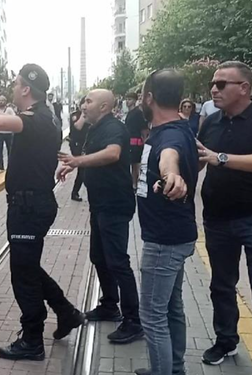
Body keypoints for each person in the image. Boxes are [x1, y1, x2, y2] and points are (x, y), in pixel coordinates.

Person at [0, 64, 83, 360]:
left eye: (16, 84)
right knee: (27, 268)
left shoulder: (36, 117)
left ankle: (32, 340)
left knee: (23, 276)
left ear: (27, 89)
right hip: (30, 204)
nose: (13, 88)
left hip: (29, 207)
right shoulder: (48, 116)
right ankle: (66, 313)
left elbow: (2, 122)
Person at [58, 89, 143, 344]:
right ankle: (109, 305)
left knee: (118, 262)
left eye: (89, 101)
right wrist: (75, 164)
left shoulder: (114, 127)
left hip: (114, 204)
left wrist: (77, 161)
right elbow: (81, 142)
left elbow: (112, 154)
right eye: (83, 100)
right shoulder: (96, 127)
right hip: (100, 204)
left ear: (105, 106)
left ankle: (133, 321)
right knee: (99, 256)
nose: (84, 104)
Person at [133, 70, 199, 375]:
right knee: (171, 307)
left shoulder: (169, 135)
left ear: (150, 98)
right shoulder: (176, 129)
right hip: (174, 234)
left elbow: (168, 158)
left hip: (164, 240)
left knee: (152, 315)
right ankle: (173, 368)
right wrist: (166, 180)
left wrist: (171, 175)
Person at [196, 61, 252, 366]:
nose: (214, 90)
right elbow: (202, 159)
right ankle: (226, 340)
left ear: (243, 88)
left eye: (221, 84)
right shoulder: (212, 121)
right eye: (212, 85)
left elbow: (216, 158)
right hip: (217, 218)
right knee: (221, 284)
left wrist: (220, 158)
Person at [124, 92, 150, 190]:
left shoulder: (138, 113)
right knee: (131, 163)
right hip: (128, 142)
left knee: (135, 164)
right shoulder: (129, 113)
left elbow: (144, 129)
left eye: (130, 99)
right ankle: (133, 182)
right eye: (127, 99)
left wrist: (145, 142)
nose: (127, 101)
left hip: (136, 142)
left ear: (135, 100)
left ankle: (135, 183)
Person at [68, 97, 90, 202]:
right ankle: (74, 192)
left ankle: (75, 192)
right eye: (84, 103)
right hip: (77, 145)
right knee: (82, 169)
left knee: (84, 170)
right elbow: (78, 127)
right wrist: (84, 114)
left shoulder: (90, 116)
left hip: (86, 145)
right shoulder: (75, 115)